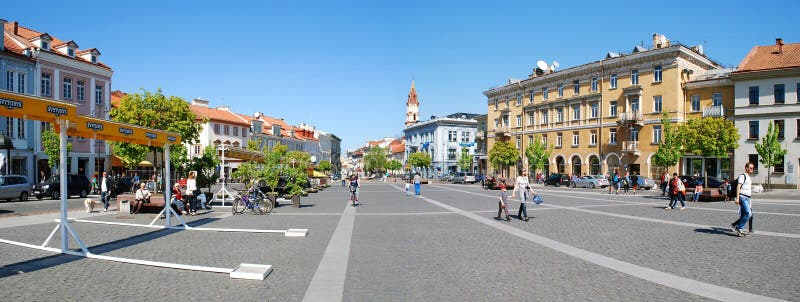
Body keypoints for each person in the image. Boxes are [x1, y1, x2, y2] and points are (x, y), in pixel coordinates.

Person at [731, 162, 754, 236]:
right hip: (742, 197)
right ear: (746, 168)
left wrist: (750, 200)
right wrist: (737, 198)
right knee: (749, 213)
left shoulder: (749, 177)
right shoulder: (742, 176)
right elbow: (738, 187)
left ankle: (739, 229)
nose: (752, 169)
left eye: (753, 168)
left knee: (744, 214)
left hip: (747, 198)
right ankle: (739, 227)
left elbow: (748, 189)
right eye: (751, 168)